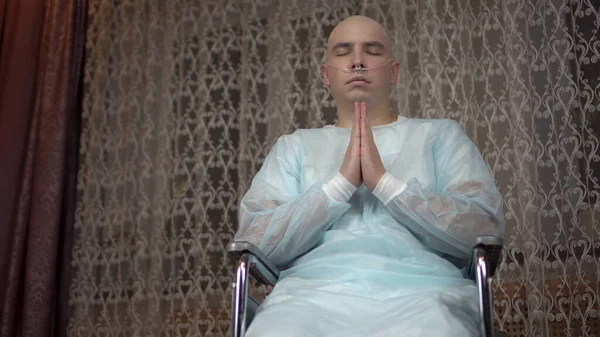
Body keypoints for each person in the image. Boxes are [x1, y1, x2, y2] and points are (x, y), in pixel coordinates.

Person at [234, 15, 504, 337]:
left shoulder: (439, 136)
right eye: (344, 51)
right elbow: (255, 241)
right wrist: (339, 186)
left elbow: (483, 227)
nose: (358, 61)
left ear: (394, 72)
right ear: (325, 74)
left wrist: (386, 185)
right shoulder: (295, 146)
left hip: (426, 294)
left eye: (372, 51)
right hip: (306, 299)